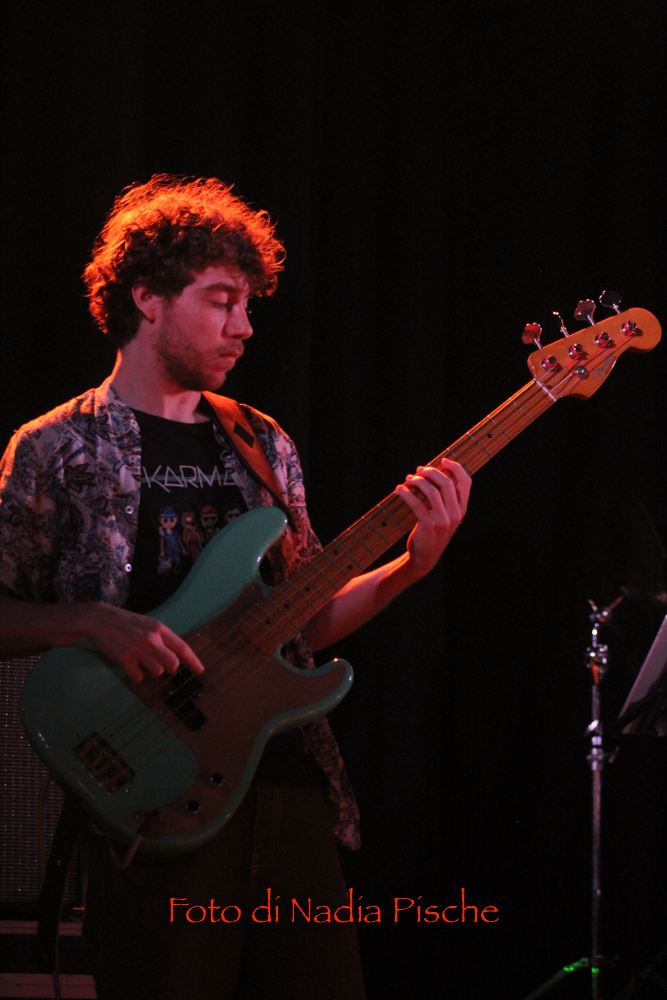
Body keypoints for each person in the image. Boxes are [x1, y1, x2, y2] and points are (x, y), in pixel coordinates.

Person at [0, 175, 471, 999]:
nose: (244, 326)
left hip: (285, 785)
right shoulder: (56, 448)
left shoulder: (262, 441)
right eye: (221, 301)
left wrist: (411, 566)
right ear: (147, 298)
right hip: (149, 794)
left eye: (247, 304)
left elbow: (303, 624)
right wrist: (90, 622)